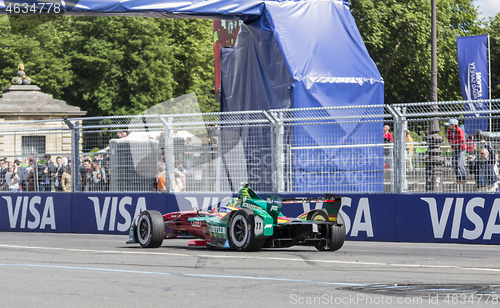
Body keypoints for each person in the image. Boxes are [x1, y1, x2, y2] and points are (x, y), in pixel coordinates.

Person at [445, 119, 466, 184]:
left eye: (449, 125)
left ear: (453, 125)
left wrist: (454, 142)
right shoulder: (449, 130)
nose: (448, 126)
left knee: (459, 164)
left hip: (461, 148)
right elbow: (449, 138)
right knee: (454, 164)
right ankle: (459, 179)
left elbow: (462, 140)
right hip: (455, 148)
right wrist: (452, 143)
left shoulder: (460, 130)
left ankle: (464, 179)